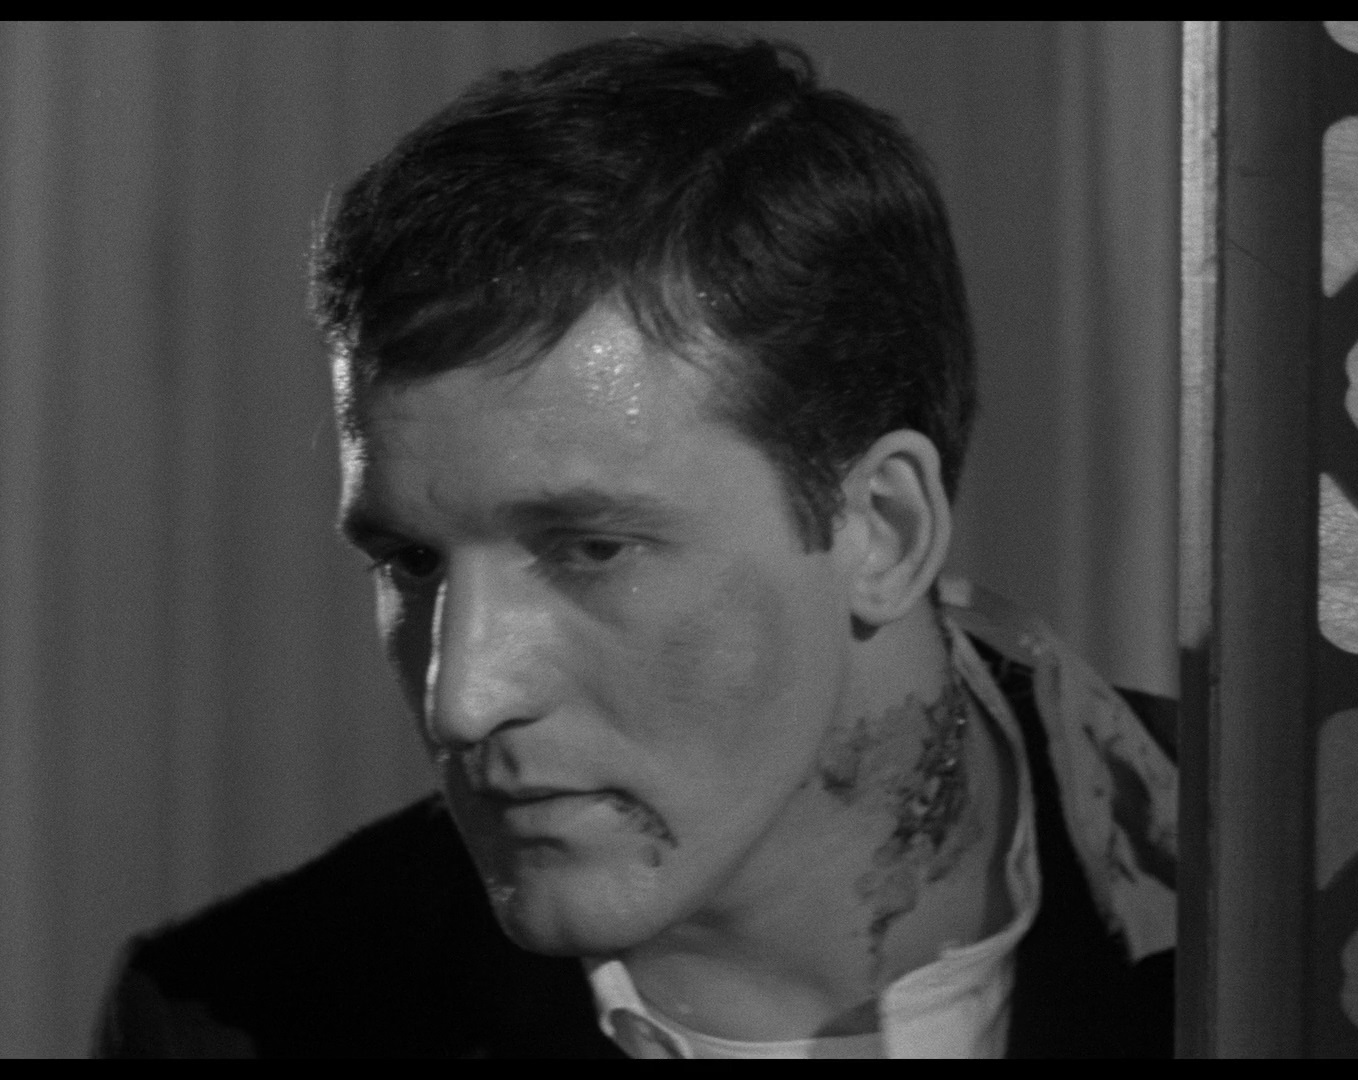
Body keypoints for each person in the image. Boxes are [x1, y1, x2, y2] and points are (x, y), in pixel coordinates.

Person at [95, 35, 1177, 1059]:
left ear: (882, 530)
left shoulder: (1265, 871)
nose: (462, 699)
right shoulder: (240, 1022)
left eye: (589, 549)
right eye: (412, 562)